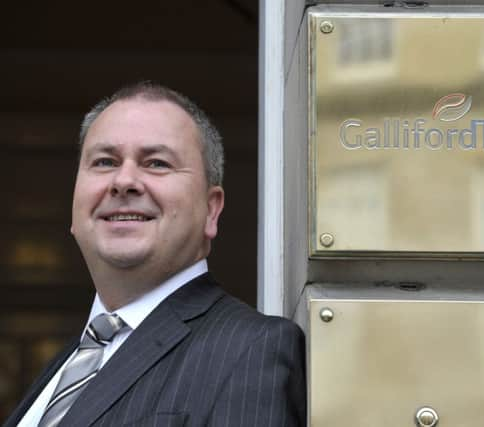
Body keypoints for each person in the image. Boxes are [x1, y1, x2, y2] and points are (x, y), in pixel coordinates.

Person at [4, 82, 306, 427]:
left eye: (157, 163)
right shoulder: (65, 366)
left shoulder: (250, 349)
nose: (124, 180)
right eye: (104, 162)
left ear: (211, 210)